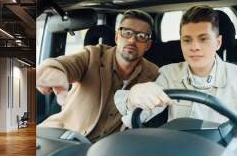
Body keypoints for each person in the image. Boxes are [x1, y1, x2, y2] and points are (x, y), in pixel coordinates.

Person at [114, 6, 237, 128]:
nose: (194, 47)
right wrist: (133, 96)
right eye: (187, 40)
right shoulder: (169, 74)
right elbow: (140, 114)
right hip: (178, 150)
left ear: (218, 42)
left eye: (203, 39)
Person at [36, 10, 159, 142]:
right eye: (127, 33)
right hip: (62, 137)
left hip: (106, 149)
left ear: (148, 45)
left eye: (141, 36)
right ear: (117, 37)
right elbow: (57, 65)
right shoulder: (91, 56)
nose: (132, 40)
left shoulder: (153, 74)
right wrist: (54, 73)